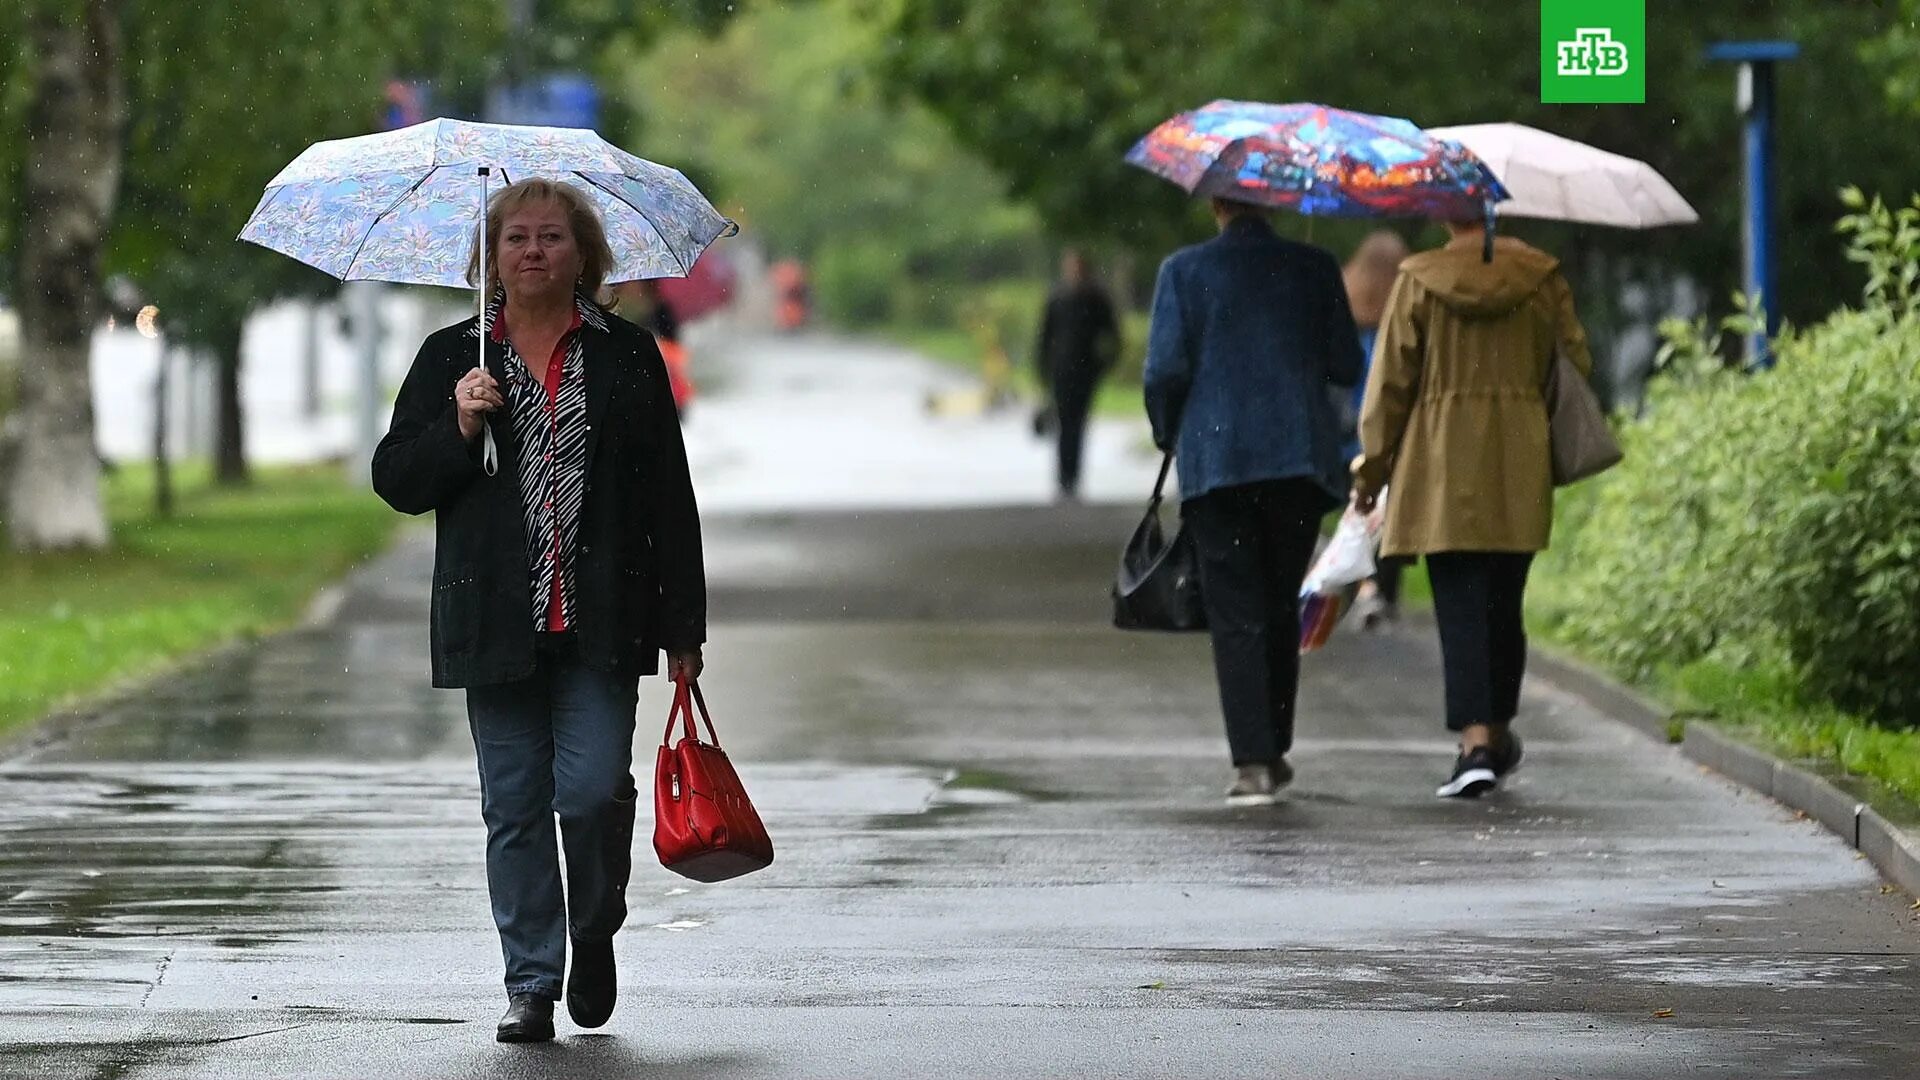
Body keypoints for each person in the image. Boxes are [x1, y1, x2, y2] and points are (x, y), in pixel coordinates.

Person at [371, 179, 707, 1043]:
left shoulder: (628, 356)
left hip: (601, 618)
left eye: (552, 237)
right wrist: (458, 426)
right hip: (493, 622)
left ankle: (592, 934)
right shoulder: (456, 357)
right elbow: (397, 480)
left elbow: (669, 496)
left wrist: (683, 631)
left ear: (583, 254)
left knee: (593, 794)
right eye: (515, 238)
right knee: (514, 806)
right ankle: (530, 981)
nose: (533, 252)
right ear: (491, 258)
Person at [1351, 219, 1591, 799]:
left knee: (1460, 604)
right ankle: (1498, 729)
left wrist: (1372, 466)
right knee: (1504, 601)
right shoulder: (1540, 277)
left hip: (1440, 461)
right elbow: (1575, 362)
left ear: (1442, 215)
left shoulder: (1418, 279)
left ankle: (1475, 744)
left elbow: (1390, 385)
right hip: (1518, 456)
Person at [1144, 197, 1363, 806]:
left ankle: (1254, 763)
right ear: (1273, 202)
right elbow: (1347, 363)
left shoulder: (1183, 272)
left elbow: (1164, 372)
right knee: (1276, 602)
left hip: (1219, 466)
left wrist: (1171, 432)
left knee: (1235, 609)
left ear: (1216, 203)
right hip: (1296, 459)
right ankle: (1274, 743)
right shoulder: (1314, 267)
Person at [1339, 230, 1412, 629]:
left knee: (1356, 511)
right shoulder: (1403, 318)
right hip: (1392, 431)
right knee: (1392, 512)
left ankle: (1360, 587)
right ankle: (1383, 590)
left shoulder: (1345, 311)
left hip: (1349, 434)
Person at [1035, 248, 1120, 501]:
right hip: (1061, 370)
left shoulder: (1095, 298)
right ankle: (1064, 477)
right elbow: (1045, 336)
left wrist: (1103, 365)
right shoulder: (1057, 297)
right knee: (1064, 423)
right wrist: (1043, 369)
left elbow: (1113, 335)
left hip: (1084, 371)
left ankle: (1072, 476)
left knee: (1078, 424)